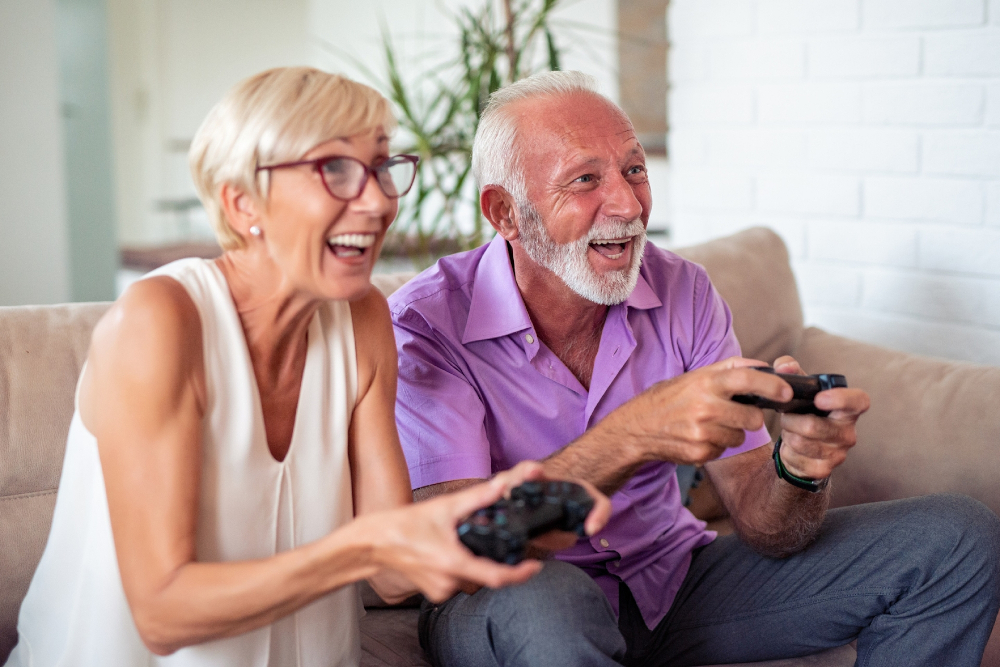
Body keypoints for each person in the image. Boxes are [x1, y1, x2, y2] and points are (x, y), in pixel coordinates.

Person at [389, 70, 1000, 666]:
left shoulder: (683, 290)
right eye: (584, 180)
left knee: (957, 537)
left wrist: (799, 470)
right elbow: (464, 547)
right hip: (511, 596)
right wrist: (634, 435)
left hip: (670, 581)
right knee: (551, 602)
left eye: (634, 169)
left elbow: (766, 526)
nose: (628, 204)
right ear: (506, 213)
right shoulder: (426, 325)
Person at [5, 67, 609, 667]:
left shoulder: (363, 319)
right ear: (241, 200)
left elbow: (396, 575)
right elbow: (163, 614)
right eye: (336, 171)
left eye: (381, 169)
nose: (377, 201)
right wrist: (365, 546)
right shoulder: (161, 321)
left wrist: (498, 524)